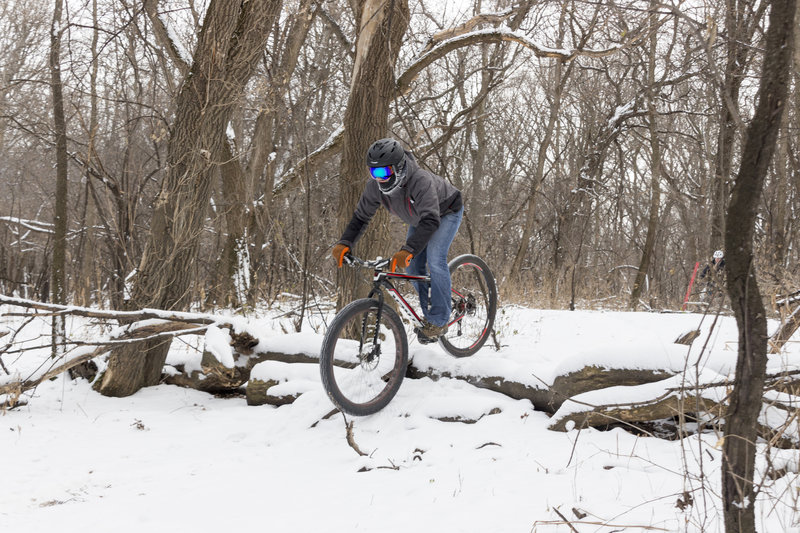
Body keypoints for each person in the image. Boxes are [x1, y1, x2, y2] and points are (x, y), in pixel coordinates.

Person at [331, 138, 463, 339]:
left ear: (398, 167)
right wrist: (344, 242)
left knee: (435, 259)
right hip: (420, 217)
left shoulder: (420, 181)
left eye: (384, 172)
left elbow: (431, 221)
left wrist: (408, 250)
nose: (379, 178)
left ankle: (438, 320)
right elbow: (361, 217)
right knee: (411, 268)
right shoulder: (374, 187)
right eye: (374, 172)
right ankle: (430, 310)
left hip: (445, 212)